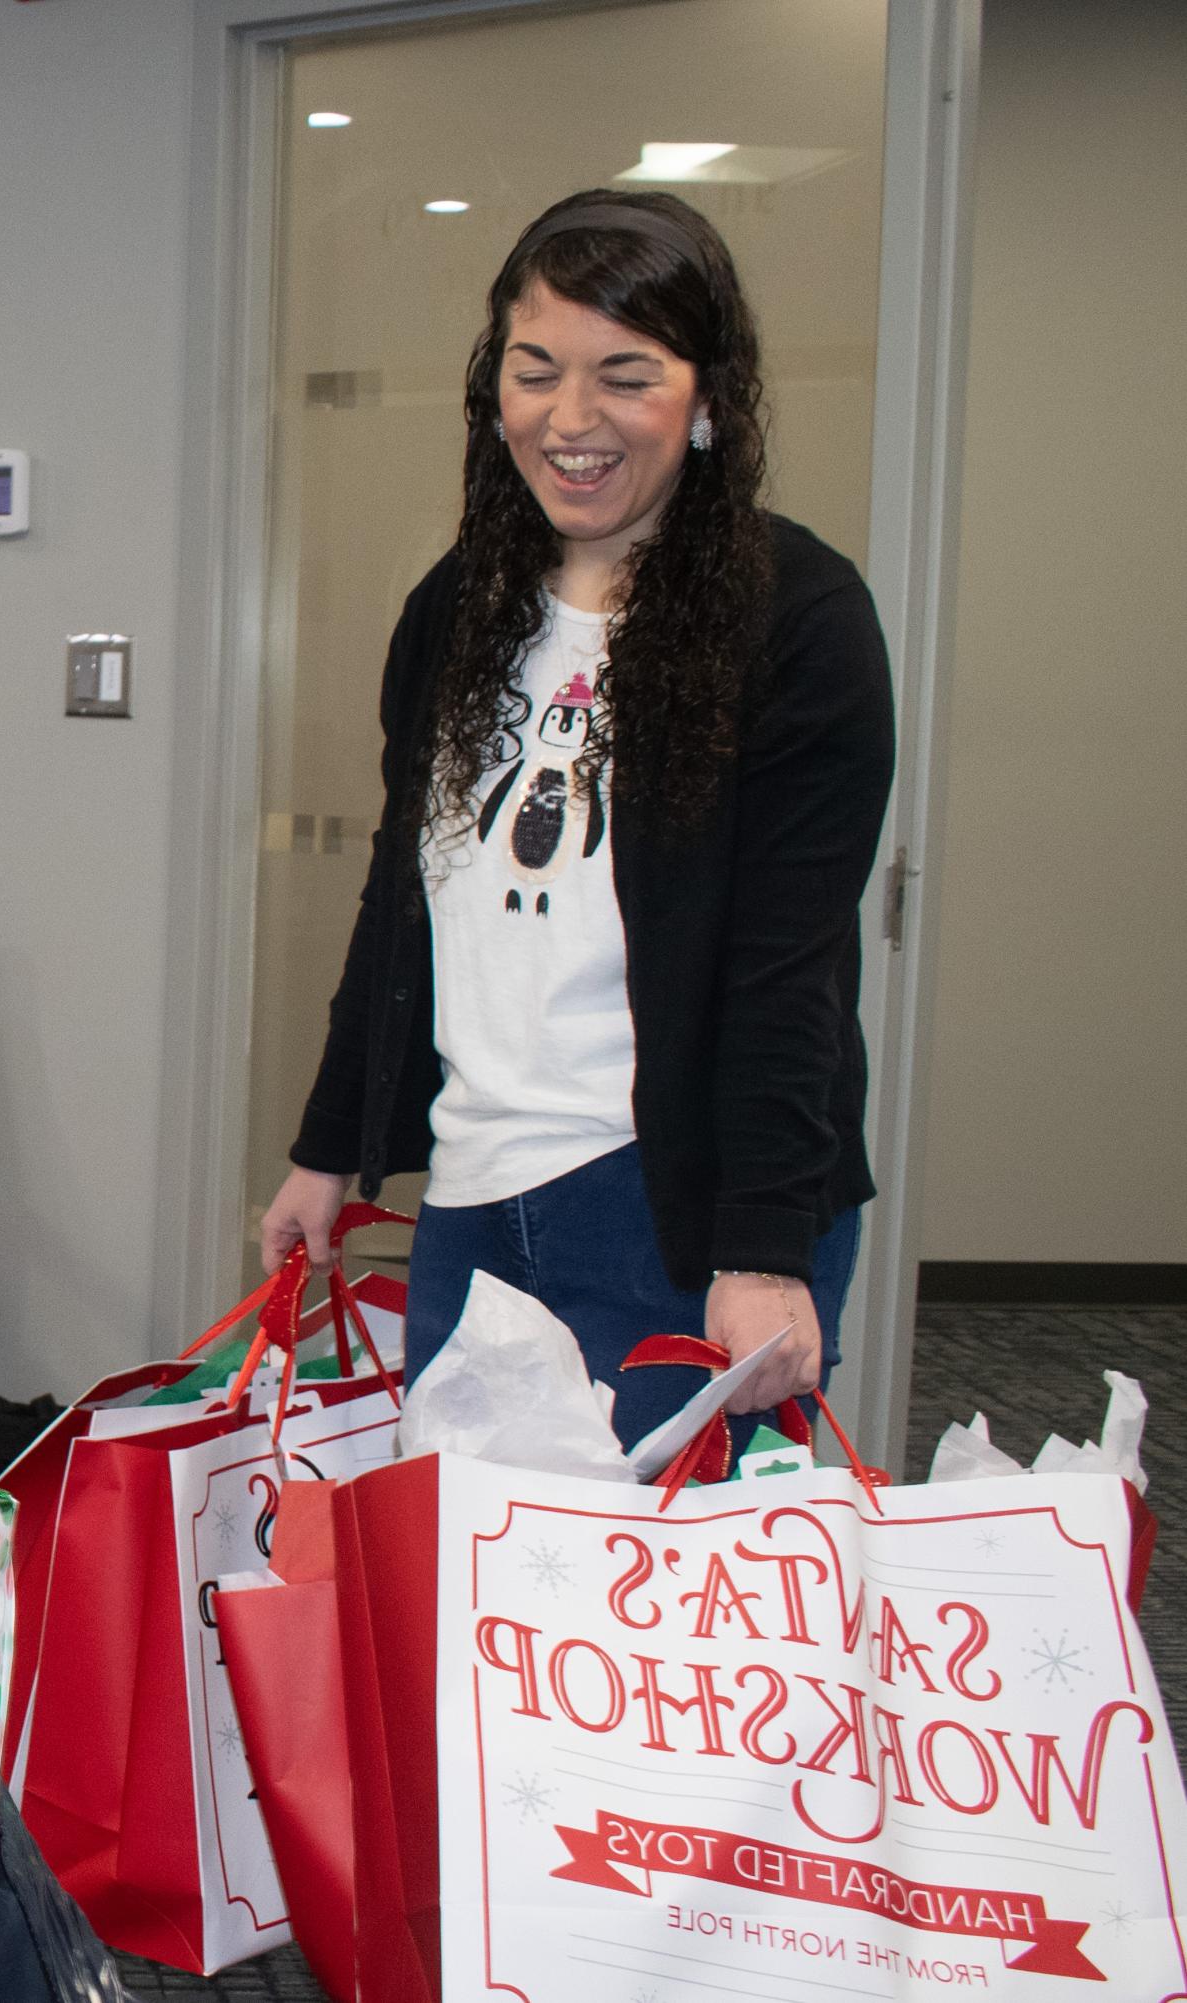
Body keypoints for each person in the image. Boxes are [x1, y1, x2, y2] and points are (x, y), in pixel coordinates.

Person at [262, 189, 894, 1451]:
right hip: (477, 1184)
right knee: (467, 1595)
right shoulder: (461, 606)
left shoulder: (797, 618)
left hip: (671, 1203)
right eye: (533, 370)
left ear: (707, 399)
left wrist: (762, 1250)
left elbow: (790, 968)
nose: (570, 418)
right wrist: (328, 1147)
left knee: (644, 1628)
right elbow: (406, 896)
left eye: (626, 374)